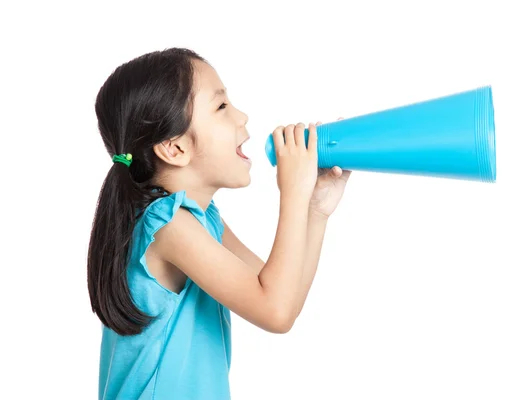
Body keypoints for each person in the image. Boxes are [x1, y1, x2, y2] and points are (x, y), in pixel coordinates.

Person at [87, 47, 351, 399]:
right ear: (175, 148)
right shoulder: (167, 227)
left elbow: (284, 297)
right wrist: (292, 194)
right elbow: (276, 311)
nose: (242, 116)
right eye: (222, 107)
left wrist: (315, 211)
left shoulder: (202, 220)